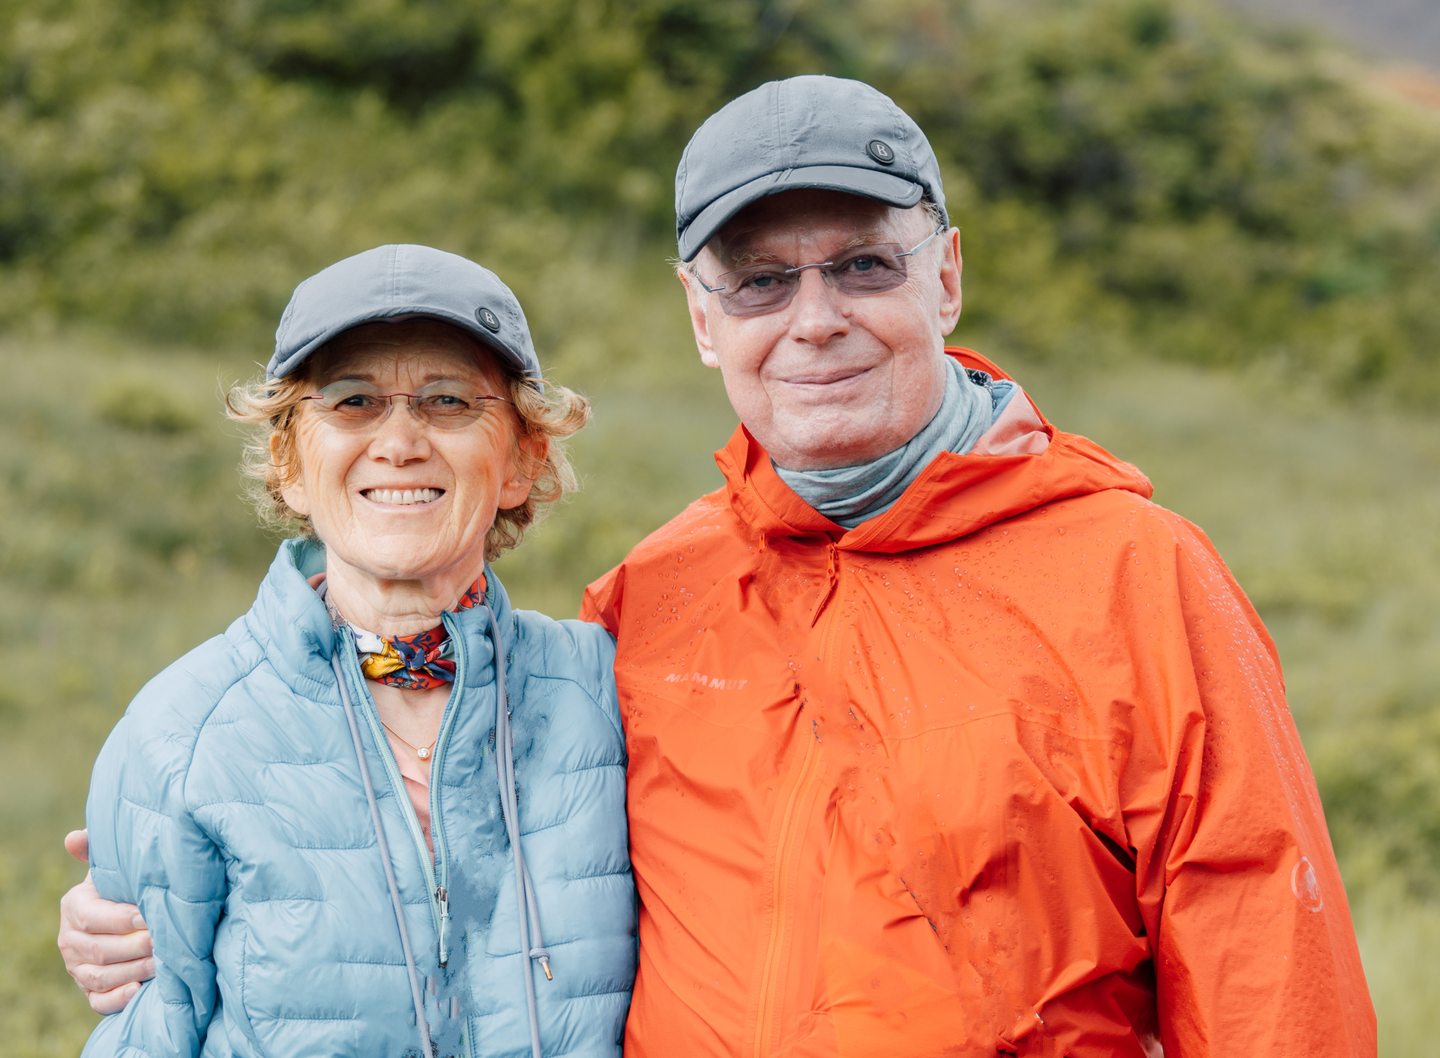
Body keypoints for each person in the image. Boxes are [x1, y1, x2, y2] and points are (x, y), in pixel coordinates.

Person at [62, 77, 1375, 1056]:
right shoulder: (650, 600)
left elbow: (1274, 970)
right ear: (703, 318)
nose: (816, 320)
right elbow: (456, 850)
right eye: (759, 282)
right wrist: (150, 895)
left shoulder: (1138, 576)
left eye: (863, 265)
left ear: (947, 278)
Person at [69, 244, 637, 1058]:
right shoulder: (181, 733)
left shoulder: (608, 693)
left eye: (448, 401)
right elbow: (149, 1031)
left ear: (522, 459)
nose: (399, 442)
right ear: (290, 463)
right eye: (353, 401)